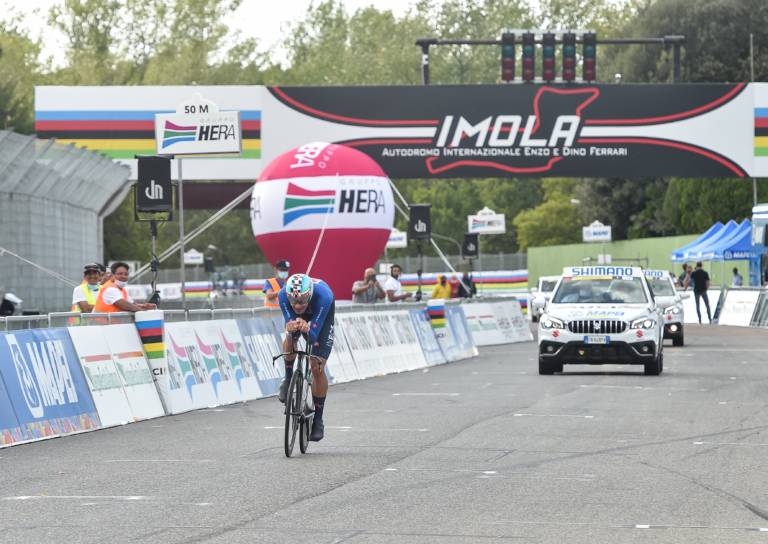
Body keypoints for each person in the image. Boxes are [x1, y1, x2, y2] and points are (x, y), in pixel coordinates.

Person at [278, 273, 335, 442]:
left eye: (301, 301)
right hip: (302, 318)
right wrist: (292, 327)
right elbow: (290, 321)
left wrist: (309, 330)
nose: (297, 305)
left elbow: (315, 337)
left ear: (309, 294)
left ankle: (318, 420)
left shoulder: (324, 296)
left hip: (320, 315)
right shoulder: (282, 295)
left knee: (316, 366)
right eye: (293, 301)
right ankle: (288, 380)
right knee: (290, 335)